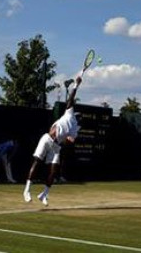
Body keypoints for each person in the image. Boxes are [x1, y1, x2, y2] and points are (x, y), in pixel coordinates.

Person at [24, 75, 83, 206]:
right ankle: (27, 190)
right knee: (37, 161)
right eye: (79, 116)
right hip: (47, 139)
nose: (79, 117)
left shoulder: (75, 130)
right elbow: (71, 99)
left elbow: (69, 142)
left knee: (54, 171)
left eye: (80, 118)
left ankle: (44, 194)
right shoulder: (69, 113)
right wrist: (76, 85)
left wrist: (69, 140)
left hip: (57, 147)